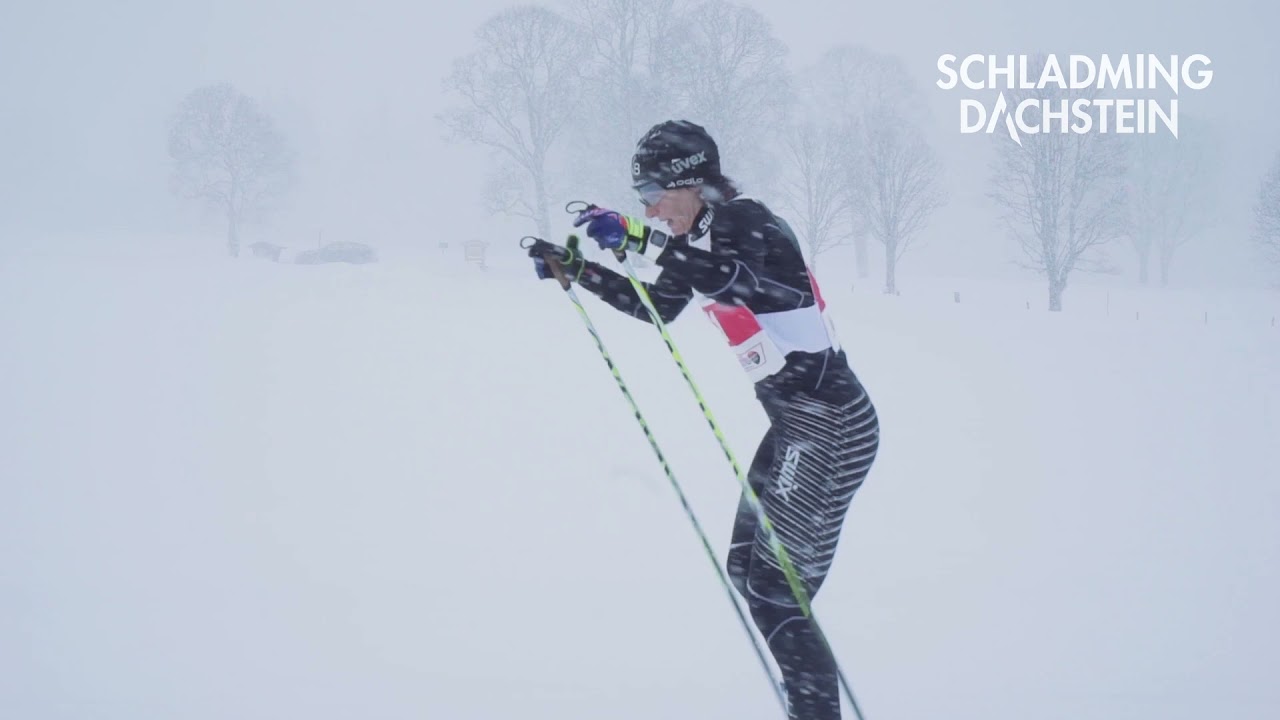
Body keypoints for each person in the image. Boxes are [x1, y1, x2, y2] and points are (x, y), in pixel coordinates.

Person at [525, 120, 880, 720]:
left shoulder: (747, 221)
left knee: (777, 592)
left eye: (655, 196)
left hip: (830, 423)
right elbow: (658, 306)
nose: (653, 210)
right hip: (798, 424)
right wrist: (580, 269)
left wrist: (638, 237)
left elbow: (739, 285)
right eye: (643, 202)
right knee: (750, 572)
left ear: (691, 184)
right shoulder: (700, 240)